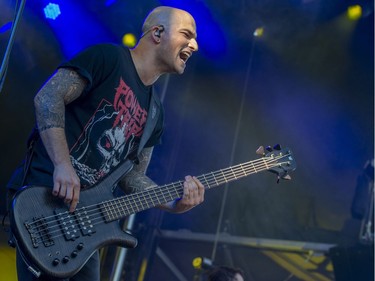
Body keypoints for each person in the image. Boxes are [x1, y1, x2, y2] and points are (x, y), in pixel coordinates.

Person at [6, 6, 204, 281]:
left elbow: (133, 178)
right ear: (157, 33)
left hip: (85, 228)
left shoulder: (155, 113)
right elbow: (48, 98)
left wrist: (173, 203)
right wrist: (63, 164)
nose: (194, 45)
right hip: (45, 202)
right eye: (187, 35)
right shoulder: (108, 58)